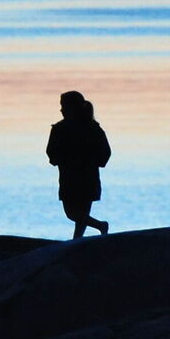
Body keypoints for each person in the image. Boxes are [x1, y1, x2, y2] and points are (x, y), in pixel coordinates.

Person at [46, 90, 111, 239]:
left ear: (73, 108)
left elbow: (104, 153)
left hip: (78, 177)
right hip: (81, 177)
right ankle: (79, 239)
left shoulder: (88, 128)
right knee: (77, 214)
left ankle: (98, 227)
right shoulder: (90, 128)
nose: (61, 110)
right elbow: (51, 153)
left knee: (74, 214)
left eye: (64, 106)